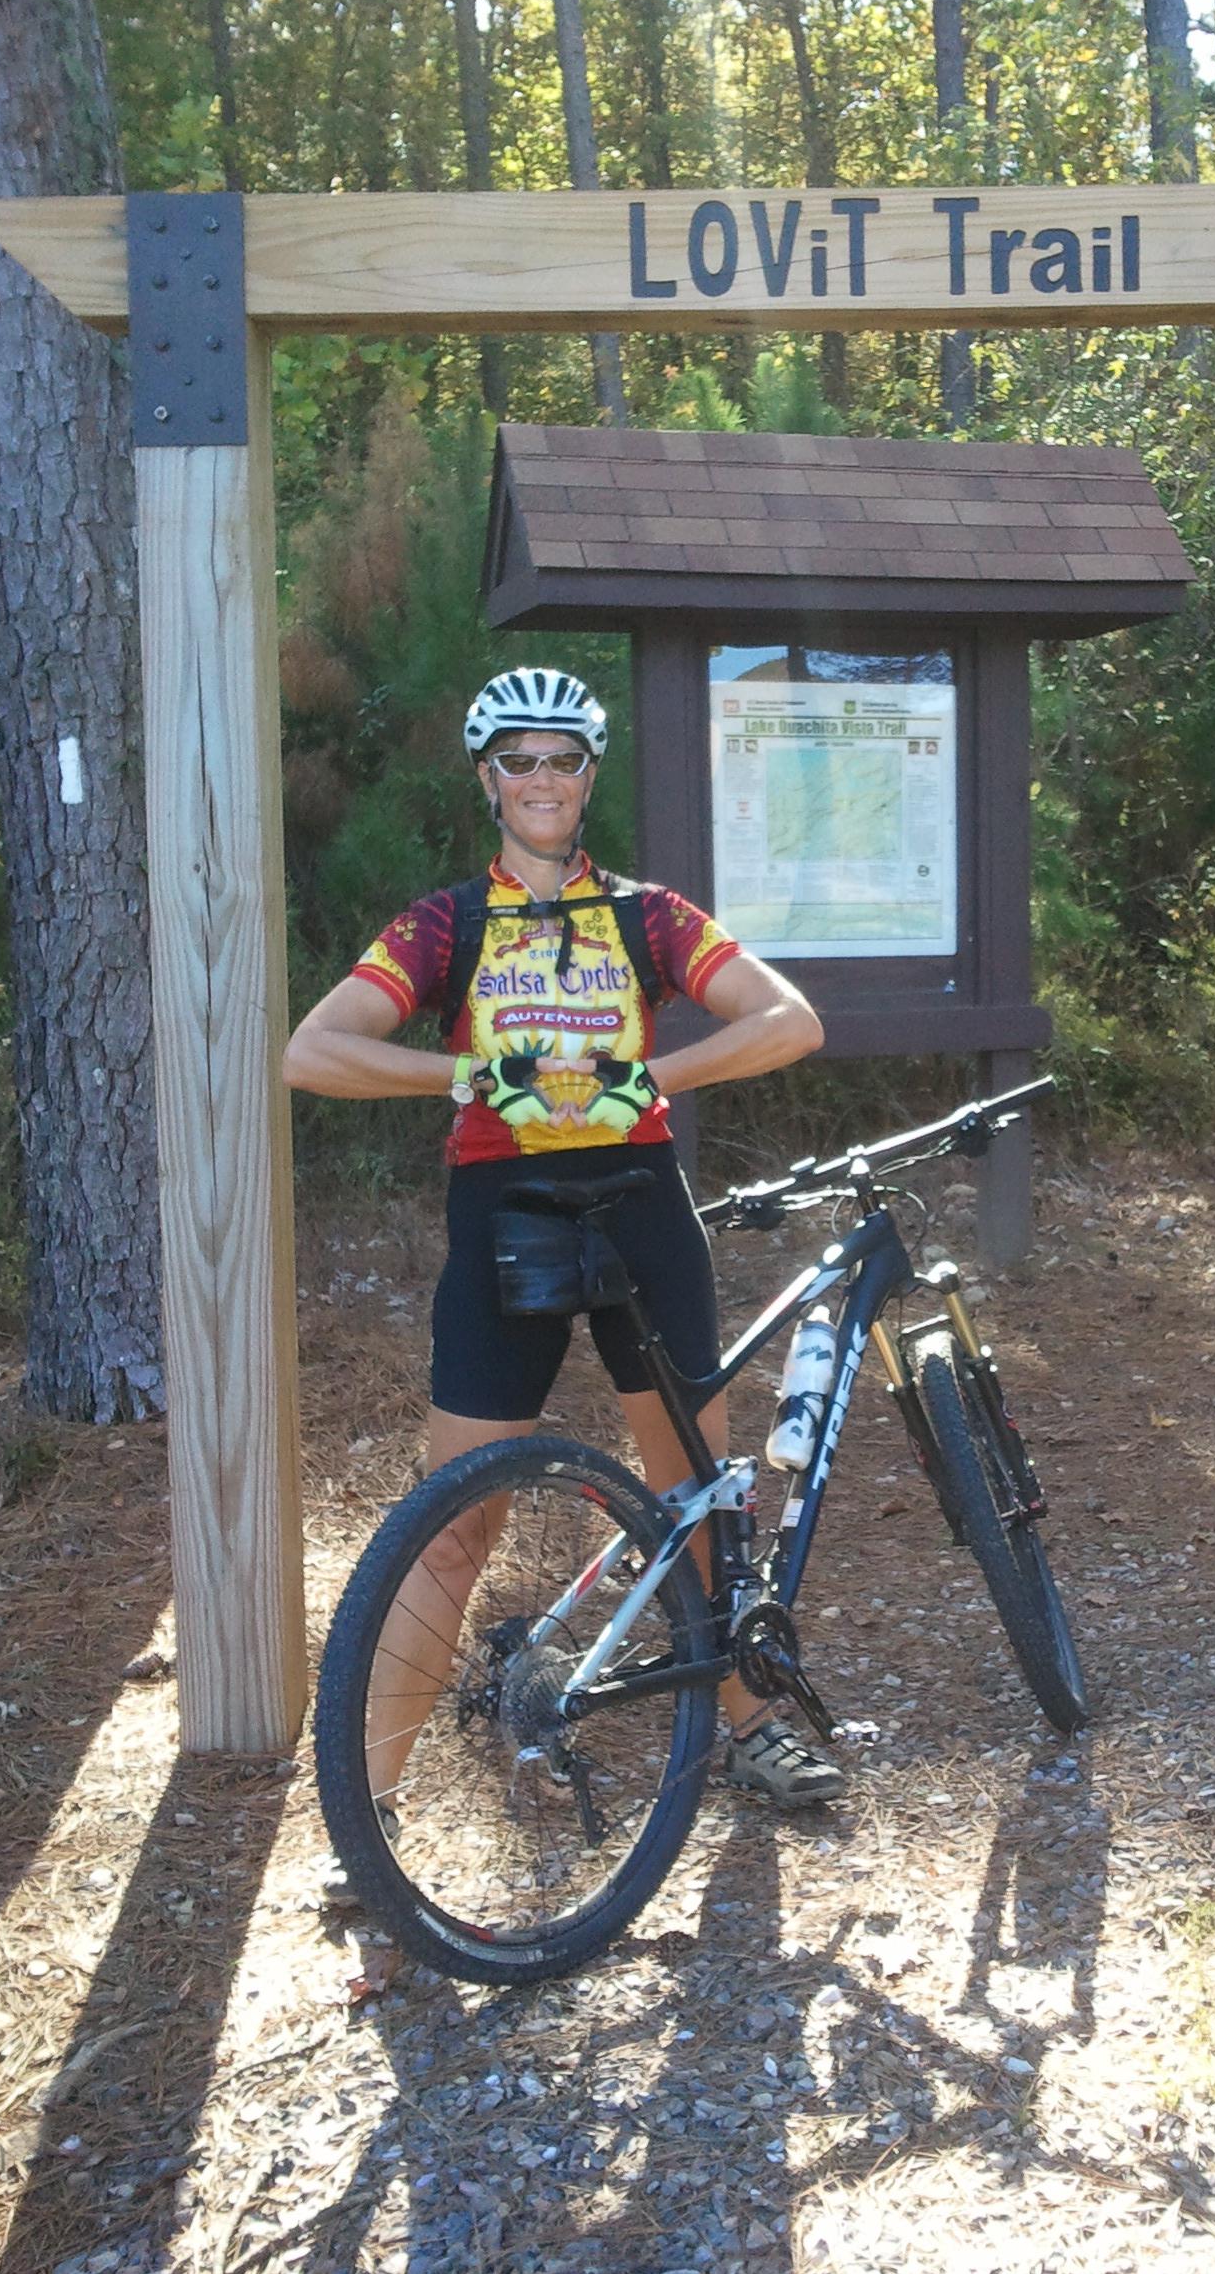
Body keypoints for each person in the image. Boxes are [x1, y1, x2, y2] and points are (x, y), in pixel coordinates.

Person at [283, 665, 844, 1807]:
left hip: (640, 1201)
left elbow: (791, 1021)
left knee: (695, 1490)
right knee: (451, 1525)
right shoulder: (447, 921)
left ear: (590, 777)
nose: (543, 780)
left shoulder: (647, 914)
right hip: (505, 1214)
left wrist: (654, 1077)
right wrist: (466, 1074)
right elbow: (312, 1051)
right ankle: (368, 1809)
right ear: (489, 779)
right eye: (519, 760)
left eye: (564, 760)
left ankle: (747, 1721)